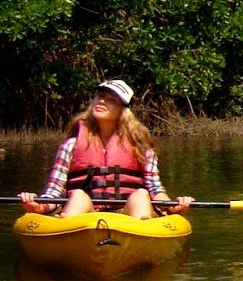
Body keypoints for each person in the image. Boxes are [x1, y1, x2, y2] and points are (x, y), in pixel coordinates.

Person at [17, 79, 193, 219]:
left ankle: (138, 242)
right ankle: (70, 239)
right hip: (85, 215)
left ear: (123, 111)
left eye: (111, 100)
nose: (101, 101)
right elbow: (54, 191)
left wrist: (173, 206)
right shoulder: (70, 146)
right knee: (78, 195)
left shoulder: (141, 147)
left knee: (141, 195)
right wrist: (39, 204)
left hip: (128, 215)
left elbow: (155, 190)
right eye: (99, 96)